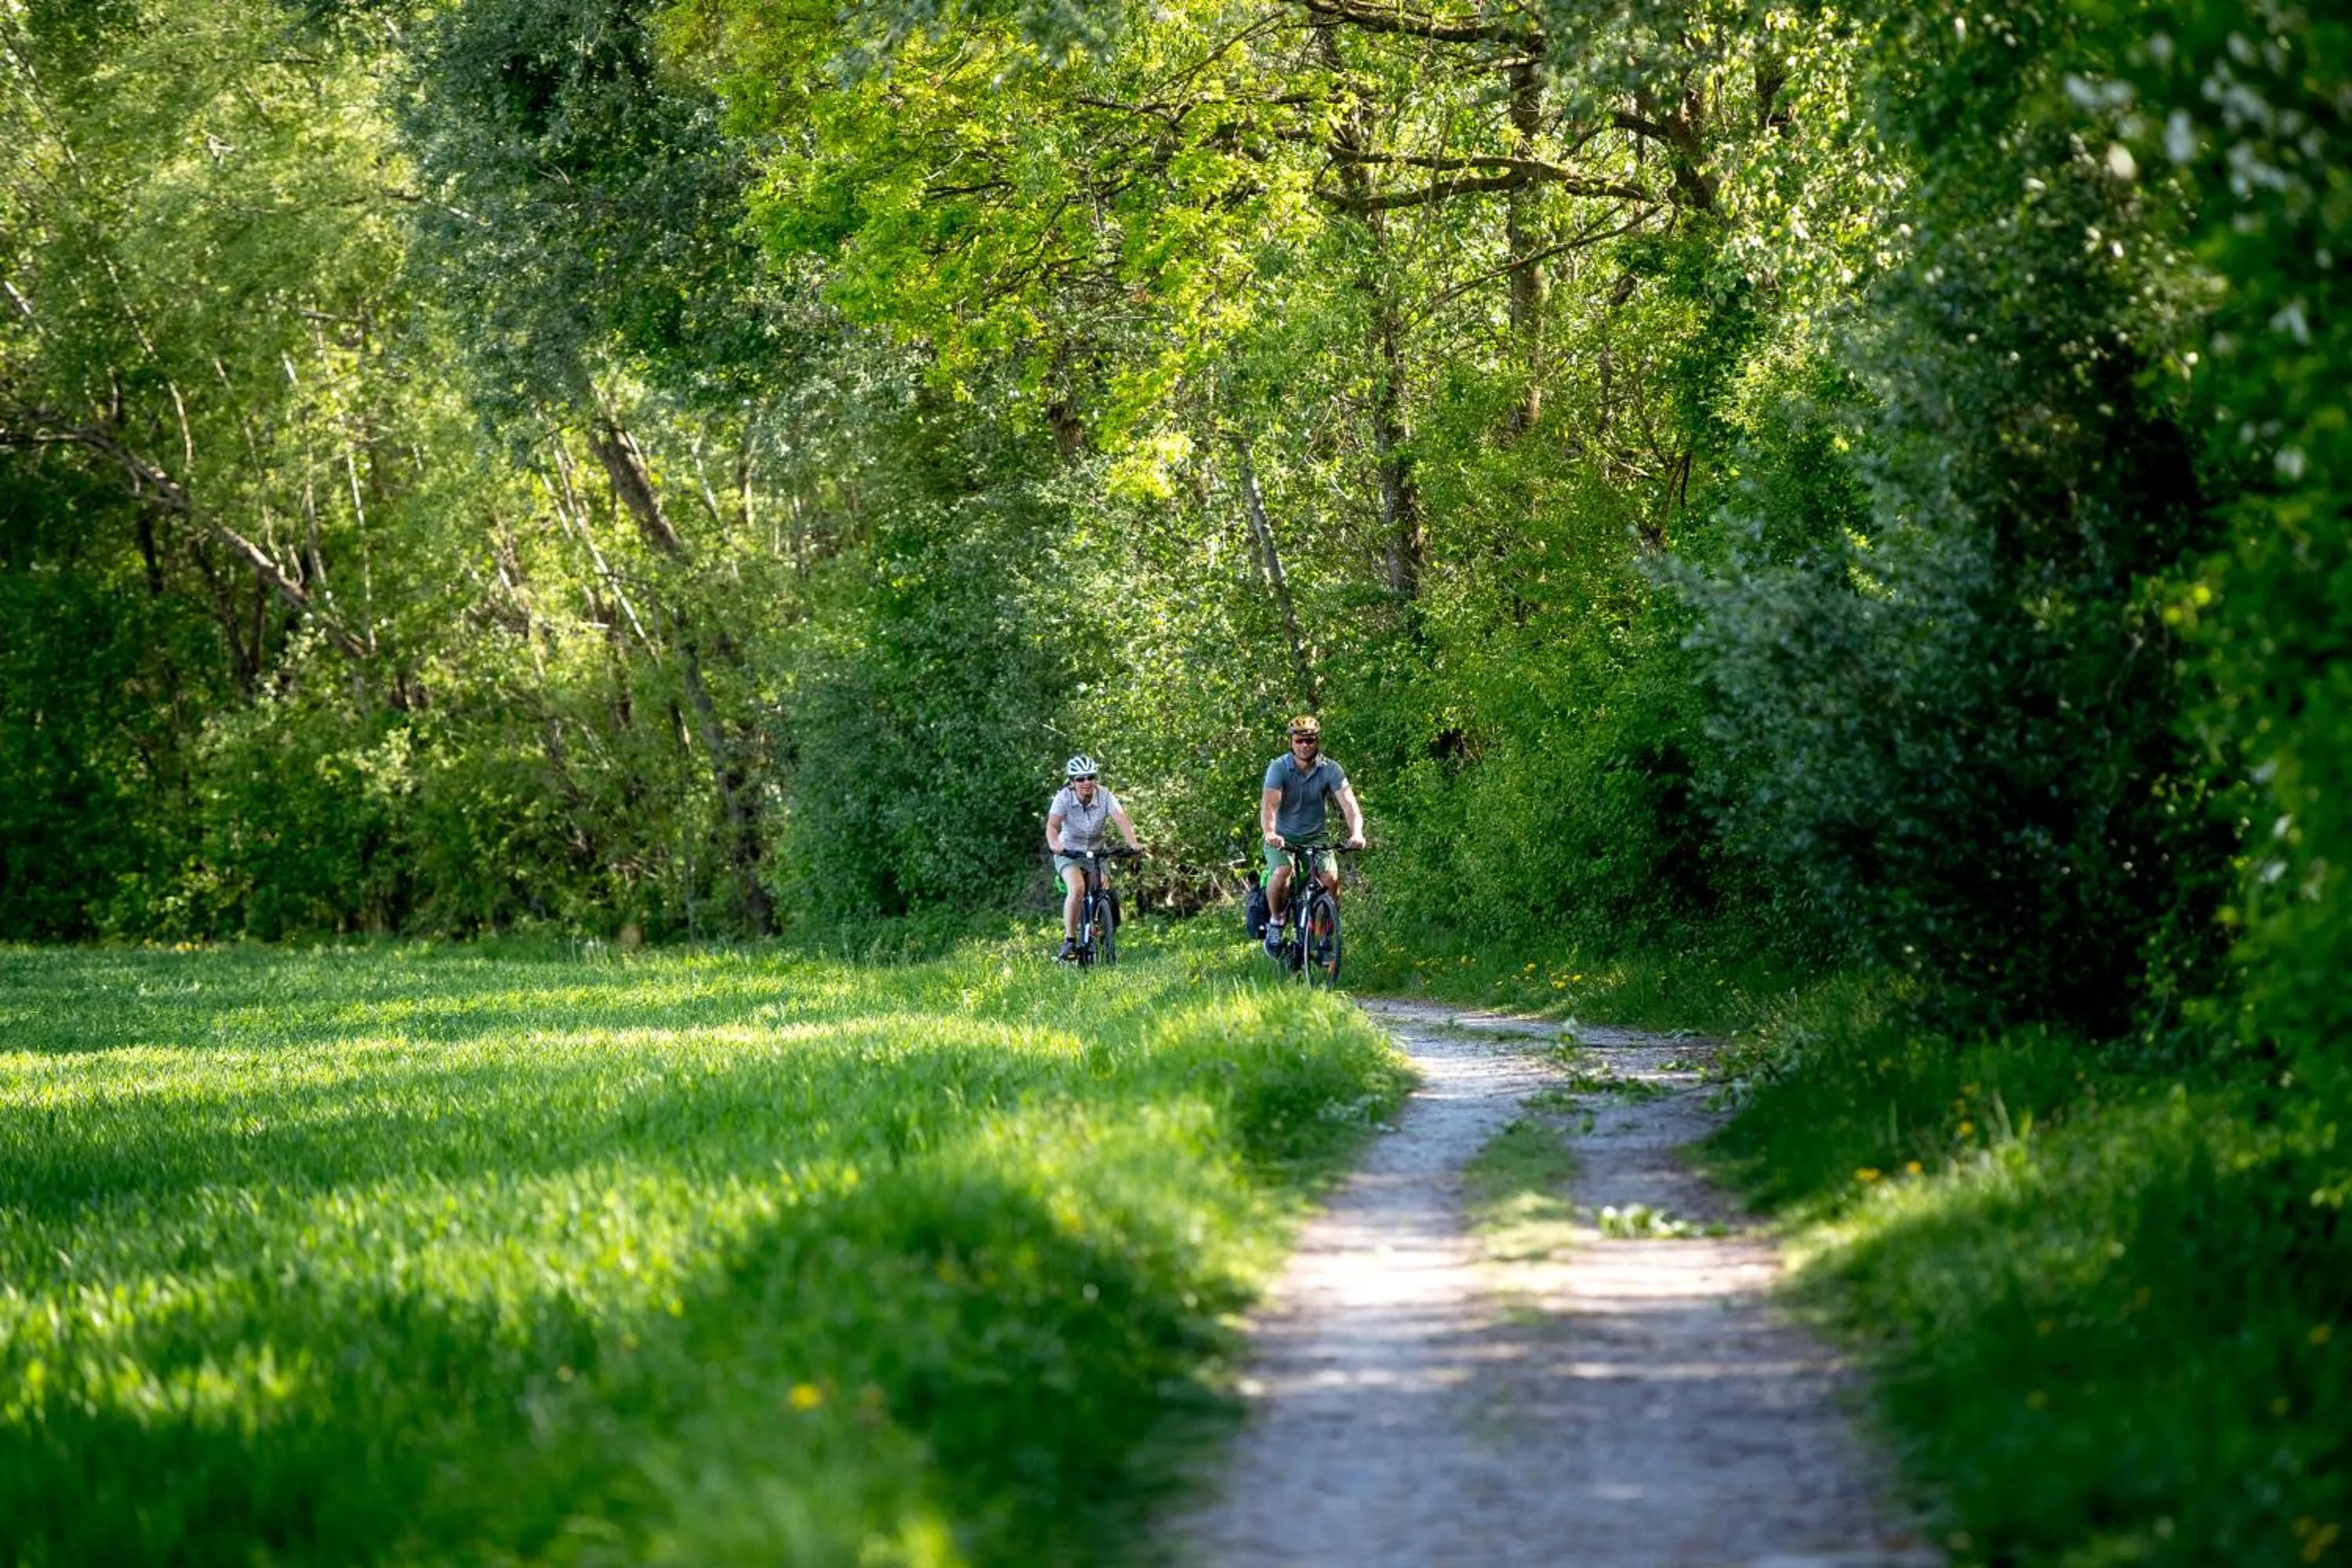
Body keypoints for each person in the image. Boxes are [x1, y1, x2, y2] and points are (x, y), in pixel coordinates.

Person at [1259, 714, 1365, 954]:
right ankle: (1276, 922)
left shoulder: (1330, 769)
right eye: (1300, 741)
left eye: (1310, 740)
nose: (1305, 745)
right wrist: (1270, 833)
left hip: (1317, 838)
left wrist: (1357, 833)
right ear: (1291, 742)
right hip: (1282, 838)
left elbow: (1349, 805)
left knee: (1331, 880)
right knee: (1282, 872)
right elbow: (1269, 806)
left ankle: (1323, 930)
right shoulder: (1279, 768)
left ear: (1317, 741)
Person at [1046, 753, 1145, 961]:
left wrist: (1133, 843)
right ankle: (1070, 941)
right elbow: (1052, 827)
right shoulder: (1063, 797)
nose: (1086, 782)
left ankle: (1102, 928)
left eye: (1090, 777)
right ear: (1072, 782)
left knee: (1103, 888)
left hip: (1096, 853)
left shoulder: (1105, 796)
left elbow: (1121, 819)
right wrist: (1055, 845)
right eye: (1080, 779)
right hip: (1070, 853)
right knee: (1078, 889)